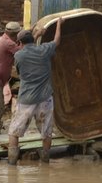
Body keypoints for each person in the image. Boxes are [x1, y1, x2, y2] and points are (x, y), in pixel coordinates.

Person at [7, 17, 64, 165]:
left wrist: (36, 34)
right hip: (45, 99)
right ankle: (45, 161)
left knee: (14, 132)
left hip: (26, 99)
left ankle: (11, 164)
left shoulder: (18, 55)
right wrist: (58, 25)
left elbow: (19, 71)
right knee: (46, 132)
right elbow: (57, 41)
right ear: (33, 40)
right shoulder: (44, 50)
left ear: (20, 43)